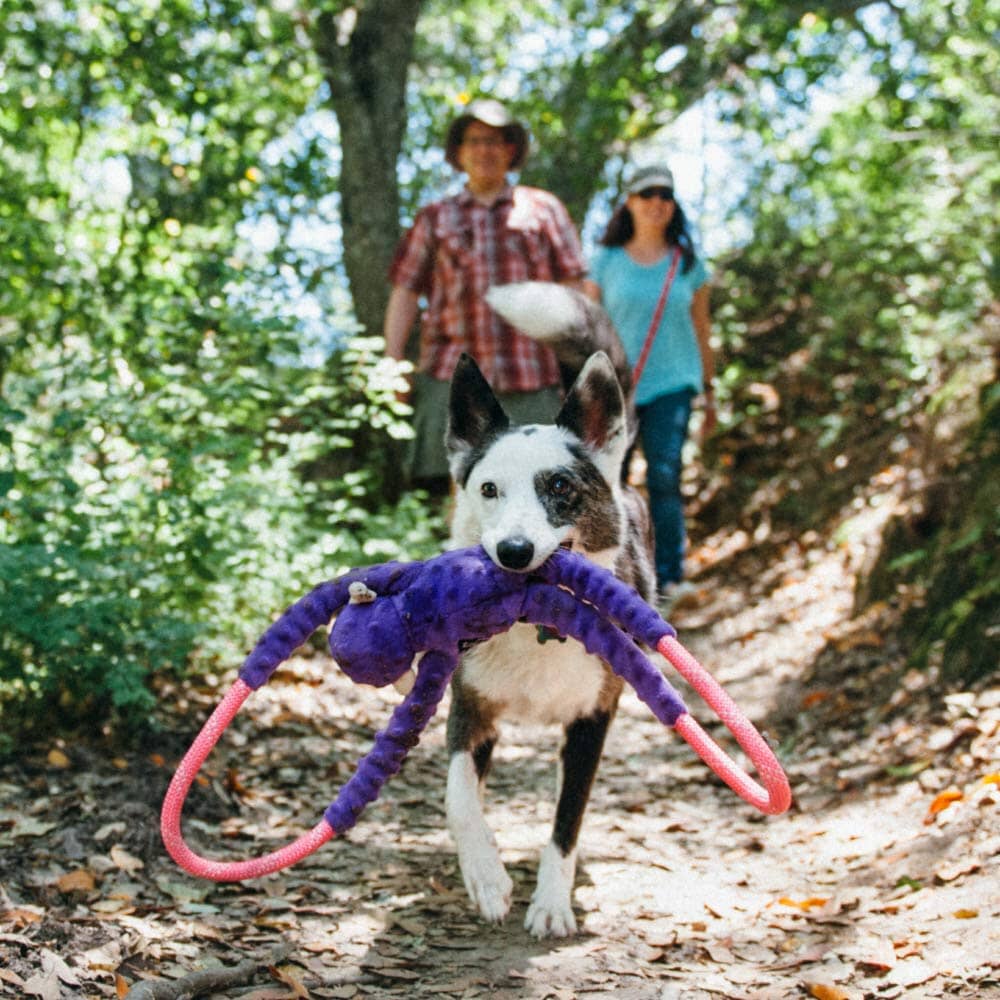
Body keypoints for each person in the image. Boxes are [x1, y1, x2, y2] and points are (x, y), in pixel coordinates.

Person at [383, 98, 587, 495]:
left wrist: (578, 364)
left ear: (511, 150)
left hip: (533, 376)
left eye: (495, 141)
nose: (484, 150)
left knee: (543, 494)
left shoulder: (543, 210)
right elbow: (406, 290)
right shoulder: (435, 217)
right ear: (459, 152)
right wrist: (392, 363)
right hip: (454, 376)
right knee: (463, 495)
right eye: (475, 141)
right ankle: (463, 560)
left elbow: (574, 289)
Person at [585, 165, 717, 598]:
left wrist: (711, 393)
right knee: (609, 479)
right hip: (617, 389)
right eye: (647, 194)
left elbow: (702, 330)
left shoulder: (689, 265)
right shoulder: (604, 261)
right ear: (629, 202)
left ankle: (668, 577)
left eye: (665, 194)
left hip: (673, 384)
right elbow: (588, 330)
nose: (657, 202)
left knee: (664, 476)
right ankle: (613, 574)